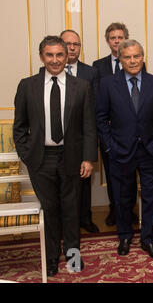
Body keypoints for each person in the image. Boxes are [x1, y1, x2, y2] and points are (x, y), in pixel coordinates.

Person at [13, 35, 97, 276]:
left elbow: (89, 126)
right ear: (42, 57)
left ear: (67, 56)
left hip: (72, 157)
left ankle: (73, 257)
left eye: (60, 55)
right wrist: (26, 154)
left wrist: (88, 158)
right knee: (50, 210)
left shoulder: (81, 86)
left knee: (71, 209)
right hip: (40, 159)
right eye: (49, 55)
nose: (55, 60)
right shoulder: (27, 86)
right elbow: (19, 127)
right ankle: (50, 259)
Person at [96, 39, 153, 259]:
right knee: (122, 197)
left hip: (150, 151)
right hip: (120, 152)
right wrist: (109, 147)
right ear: (120, 59)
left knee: (151, 198)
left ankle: (148, 239)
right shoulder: (108, 84)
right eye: (127, 57)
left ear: (143, 57)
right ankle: (125, 236)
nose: (133, 60)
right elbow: (100, 119)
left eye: (136, 56)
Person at [93, 22, 139, 226]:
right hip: (109, 133)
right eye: (113, 38)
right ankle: (115, 209)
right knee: (113, 175)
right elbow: (97, 97)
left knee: (130, 175)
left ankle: (129, 211)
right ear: (108, 41)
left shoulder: (136, 61)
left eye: (120, 37)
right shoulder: (98, 66)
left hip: (130, 132)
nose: (117, 40)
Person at [60, 29, 100, 233]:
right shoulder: (50, 72)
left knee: (84, 182)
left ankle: (85, 218)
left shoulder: (90, 72)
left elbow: (95, 107)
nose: (72, 47)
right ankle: (66, 223)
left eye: (76, 44)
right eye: (68, 43)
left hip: (83, 136)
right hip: (58, 139)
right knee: (62, 185)